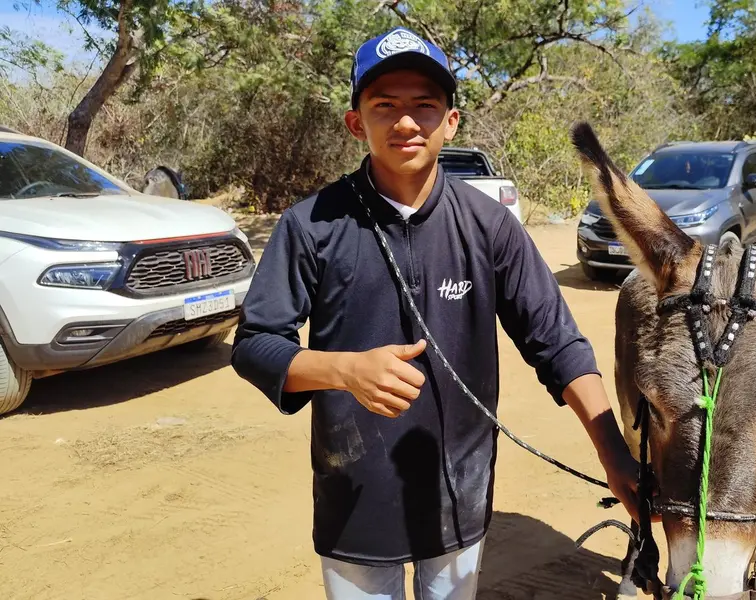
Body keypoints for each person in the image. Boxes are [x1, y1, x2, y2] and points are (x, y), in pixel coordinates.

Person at [230, 26, 641, 600]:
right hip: (355, 494)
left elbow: (558, 343)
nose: (406, 122)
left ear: (450, 121)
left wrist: (614, 453)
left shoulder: (491, 225)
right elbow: (254, 344)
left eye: (425, 106)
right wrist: (344, 371)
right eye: (385, 106)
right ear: (357, 123)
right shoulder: (310, 225)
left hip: (458, 492)